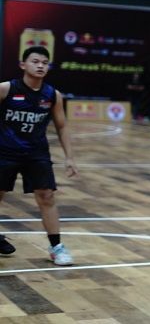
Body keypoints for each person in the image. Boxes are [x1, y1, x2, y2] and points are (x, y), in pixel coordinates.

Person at [0, 46, 78, 264]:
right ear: (23, 65)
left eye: (45, 62)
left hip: (36, 153)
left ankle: (57, 248)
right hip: (5, 151)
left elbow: (62, 126)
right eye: (35, 61)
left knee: (47, 196)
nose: (40, 65)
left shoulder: (53, 95)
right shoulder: (6, 89)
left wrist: (69, 157)